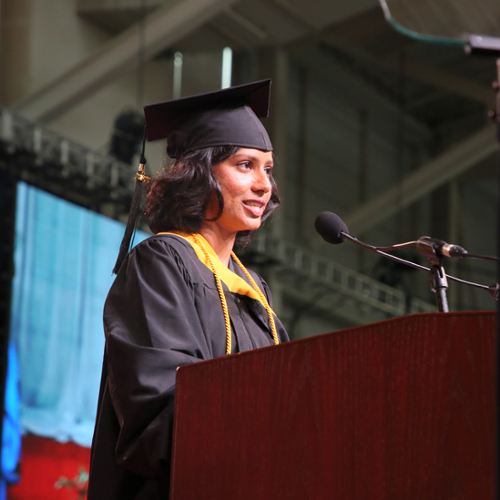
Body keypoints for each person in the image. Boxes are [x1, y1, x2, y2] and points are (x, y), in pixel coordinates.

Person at [87, 79, 289, 499]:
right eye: (245, 165)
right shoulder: (161, 263)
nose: (263, 185)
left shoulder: (256, 295)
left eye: (267, 169)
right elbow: (155, 407)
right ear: (201, 171)